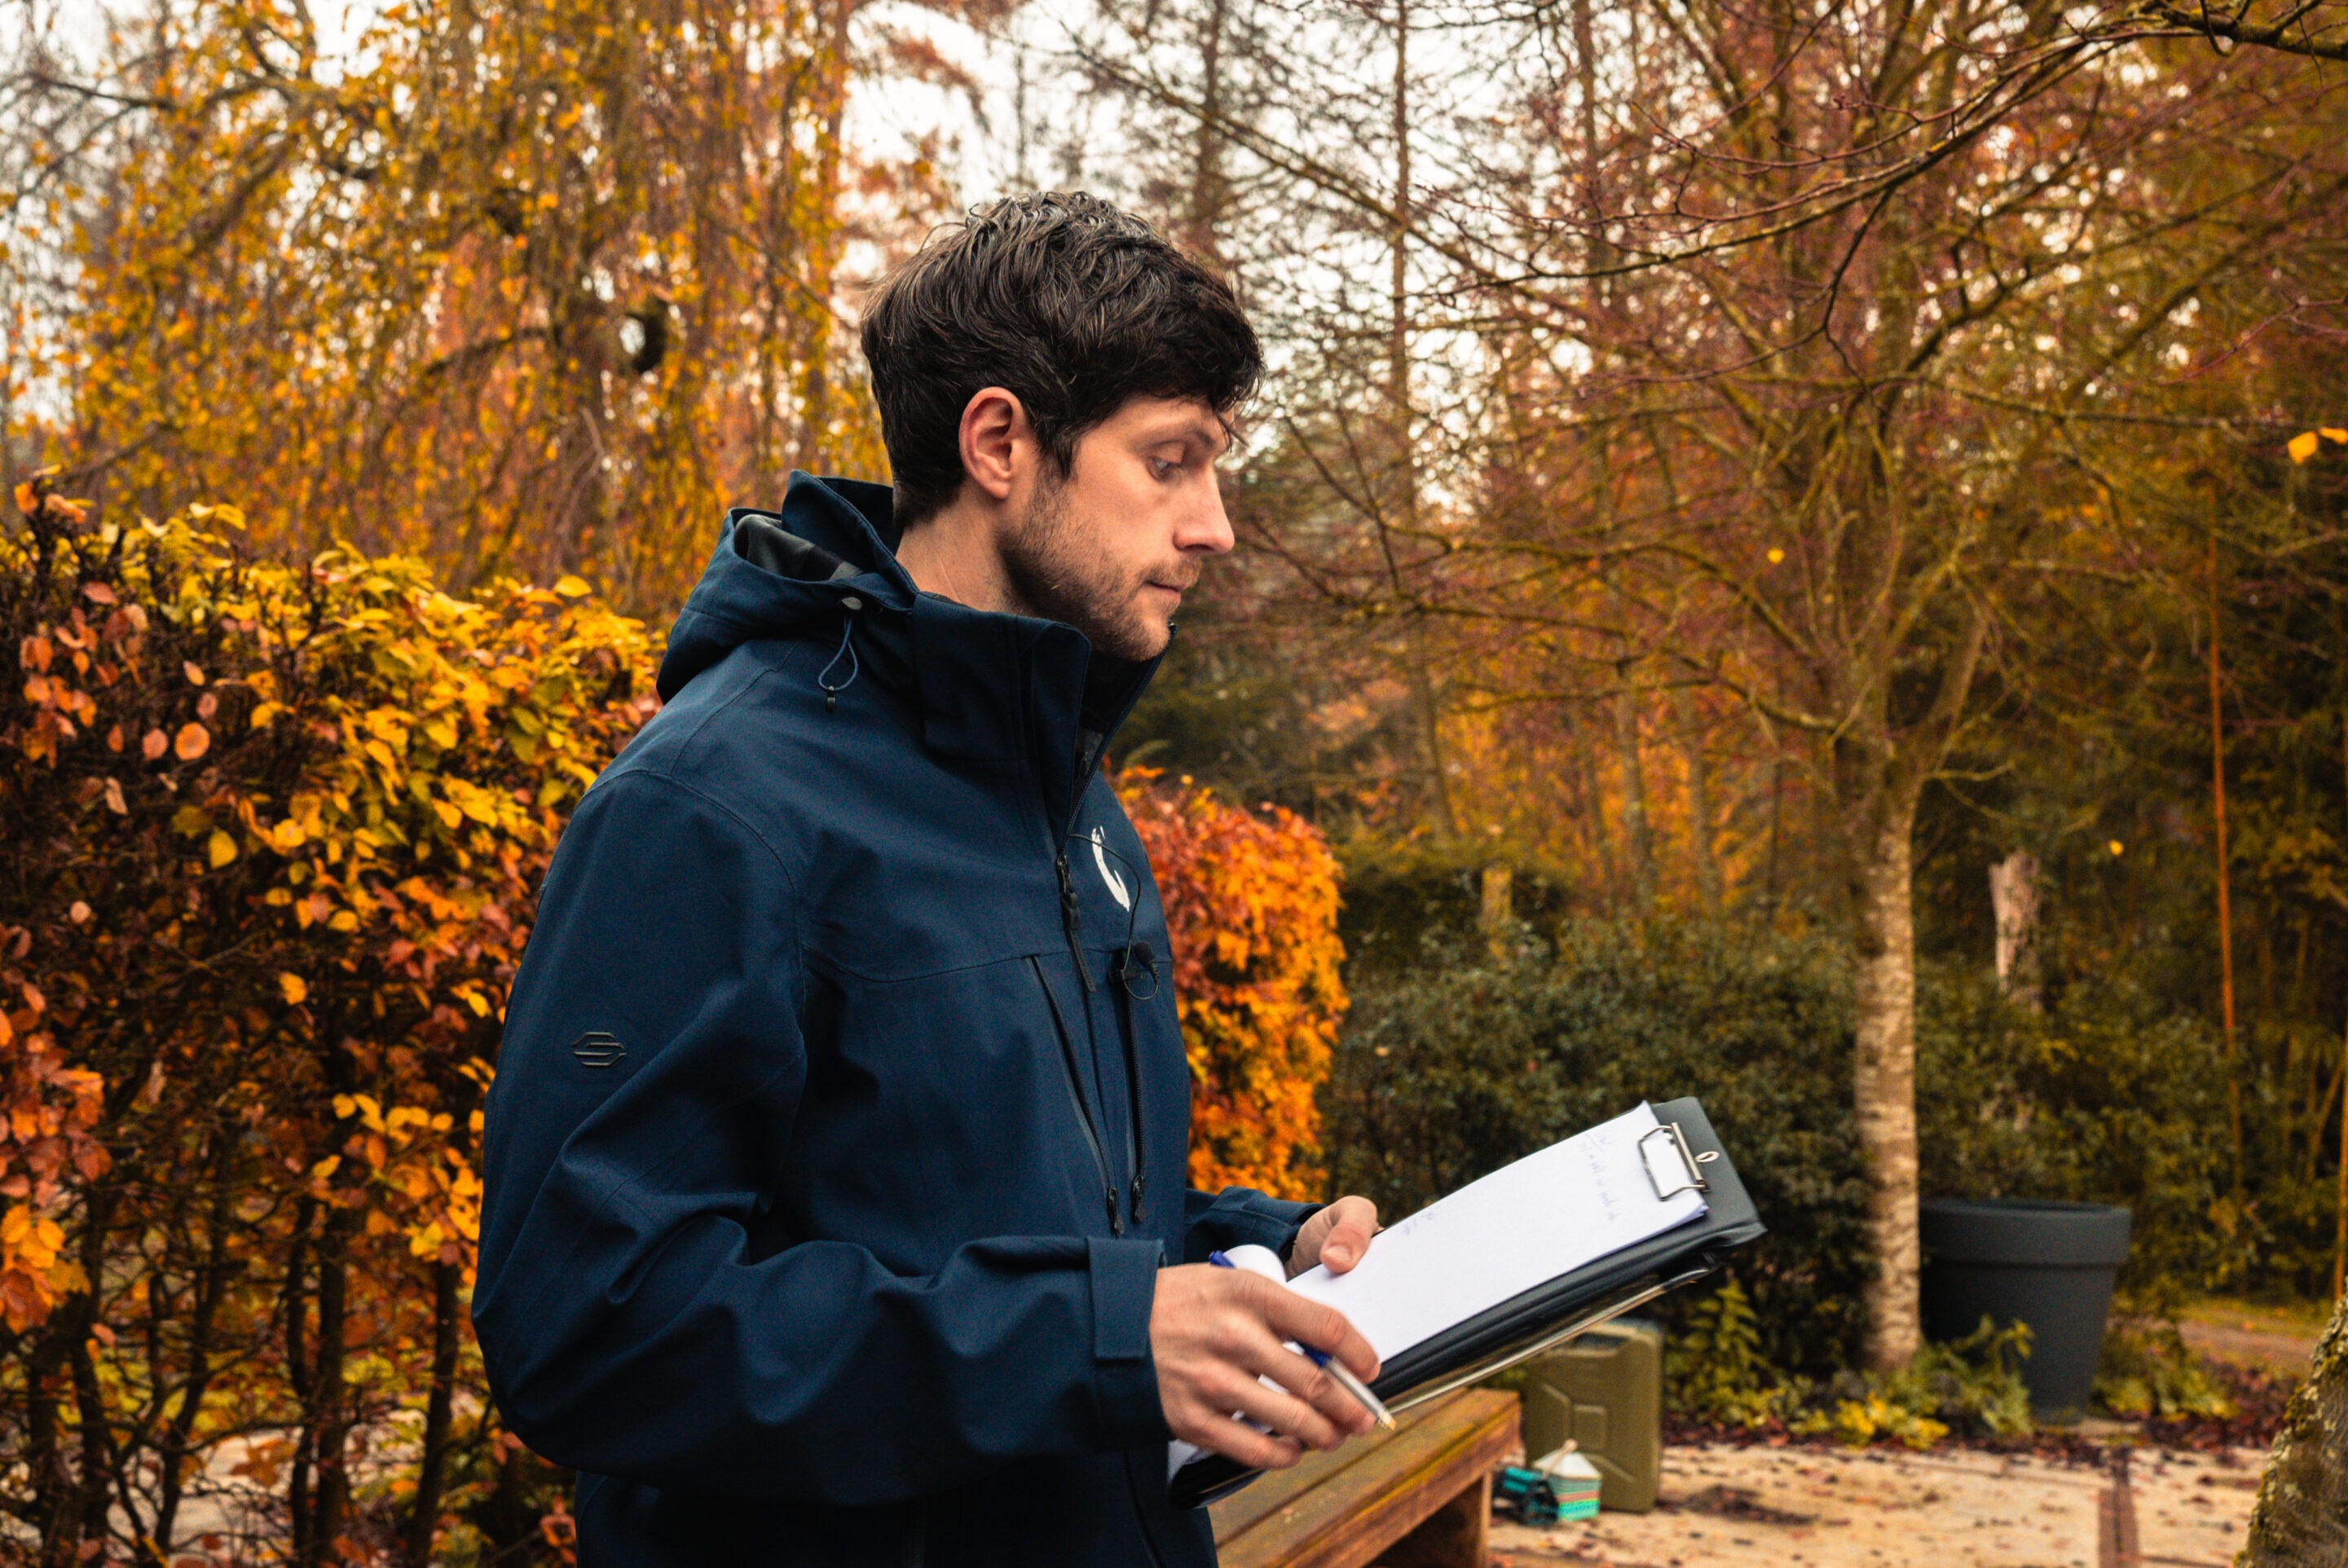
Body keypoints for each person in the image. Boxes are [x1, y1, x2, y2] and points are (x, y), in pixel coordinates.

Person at [474, 192, 1388, 1566]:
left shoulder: (1070, 800)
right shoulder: (708, 809)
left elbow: (1021, 1210)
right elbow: (589, 1326)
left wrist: (1255, 1252)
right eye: (1170, 462)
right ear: (1002, 442)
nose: (1216, 526)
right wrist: (1095, 1337)